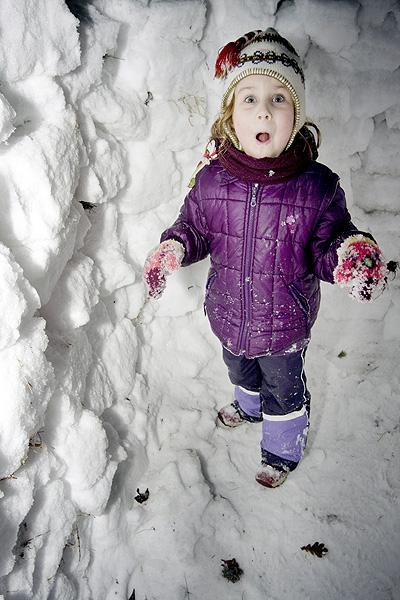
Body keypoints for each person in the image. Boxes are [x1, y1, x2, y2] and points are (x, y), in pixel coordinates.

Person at [143, 28, 388, 488]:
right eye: (249, 98)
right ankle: (247, 404)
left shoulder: (317, 187)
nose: (263, 109)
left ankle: (282, 449)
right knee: (239, 368)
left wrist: (349, 257)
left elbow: (328, 244)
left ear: (296, 115)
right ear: (231, 116)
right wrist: (173, 247)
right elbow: (194, 228)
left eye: (279, 98)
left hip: (284, 324)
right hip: (228, 314)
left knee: (284, 388)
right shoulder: (212, 181)